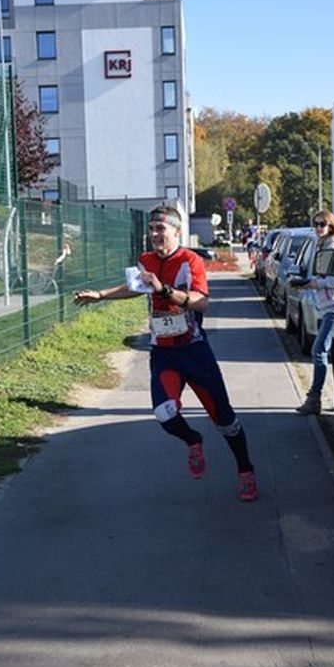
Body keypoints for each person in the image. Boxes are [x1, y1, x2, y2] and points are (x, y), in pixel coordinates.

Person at [73, 204, 257, 502]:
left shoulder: (191, 260)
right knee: (165, 415)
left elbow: (201, 302)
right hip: (163, 352)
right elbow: (137, 286)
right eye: (152, 229)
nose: (155, 235)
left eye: (161, 229)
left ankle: (245, 471)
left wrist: (165, 291)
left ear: (176, 231)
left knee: (225, 420)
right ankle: (193, 440)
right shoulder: (146, 260)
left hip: (194, 351)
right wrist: (101, 295)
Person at [294, 210, 334, 415]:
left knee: (319, 350)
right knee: (332, 354)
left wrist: (311, 284)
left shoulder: (333, 247)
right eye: (315, 224)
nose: (318, 228)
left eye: (322, 224)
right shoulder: (322, 245)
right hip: (326, 307)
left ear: (331, 225)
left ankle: (314, 399)